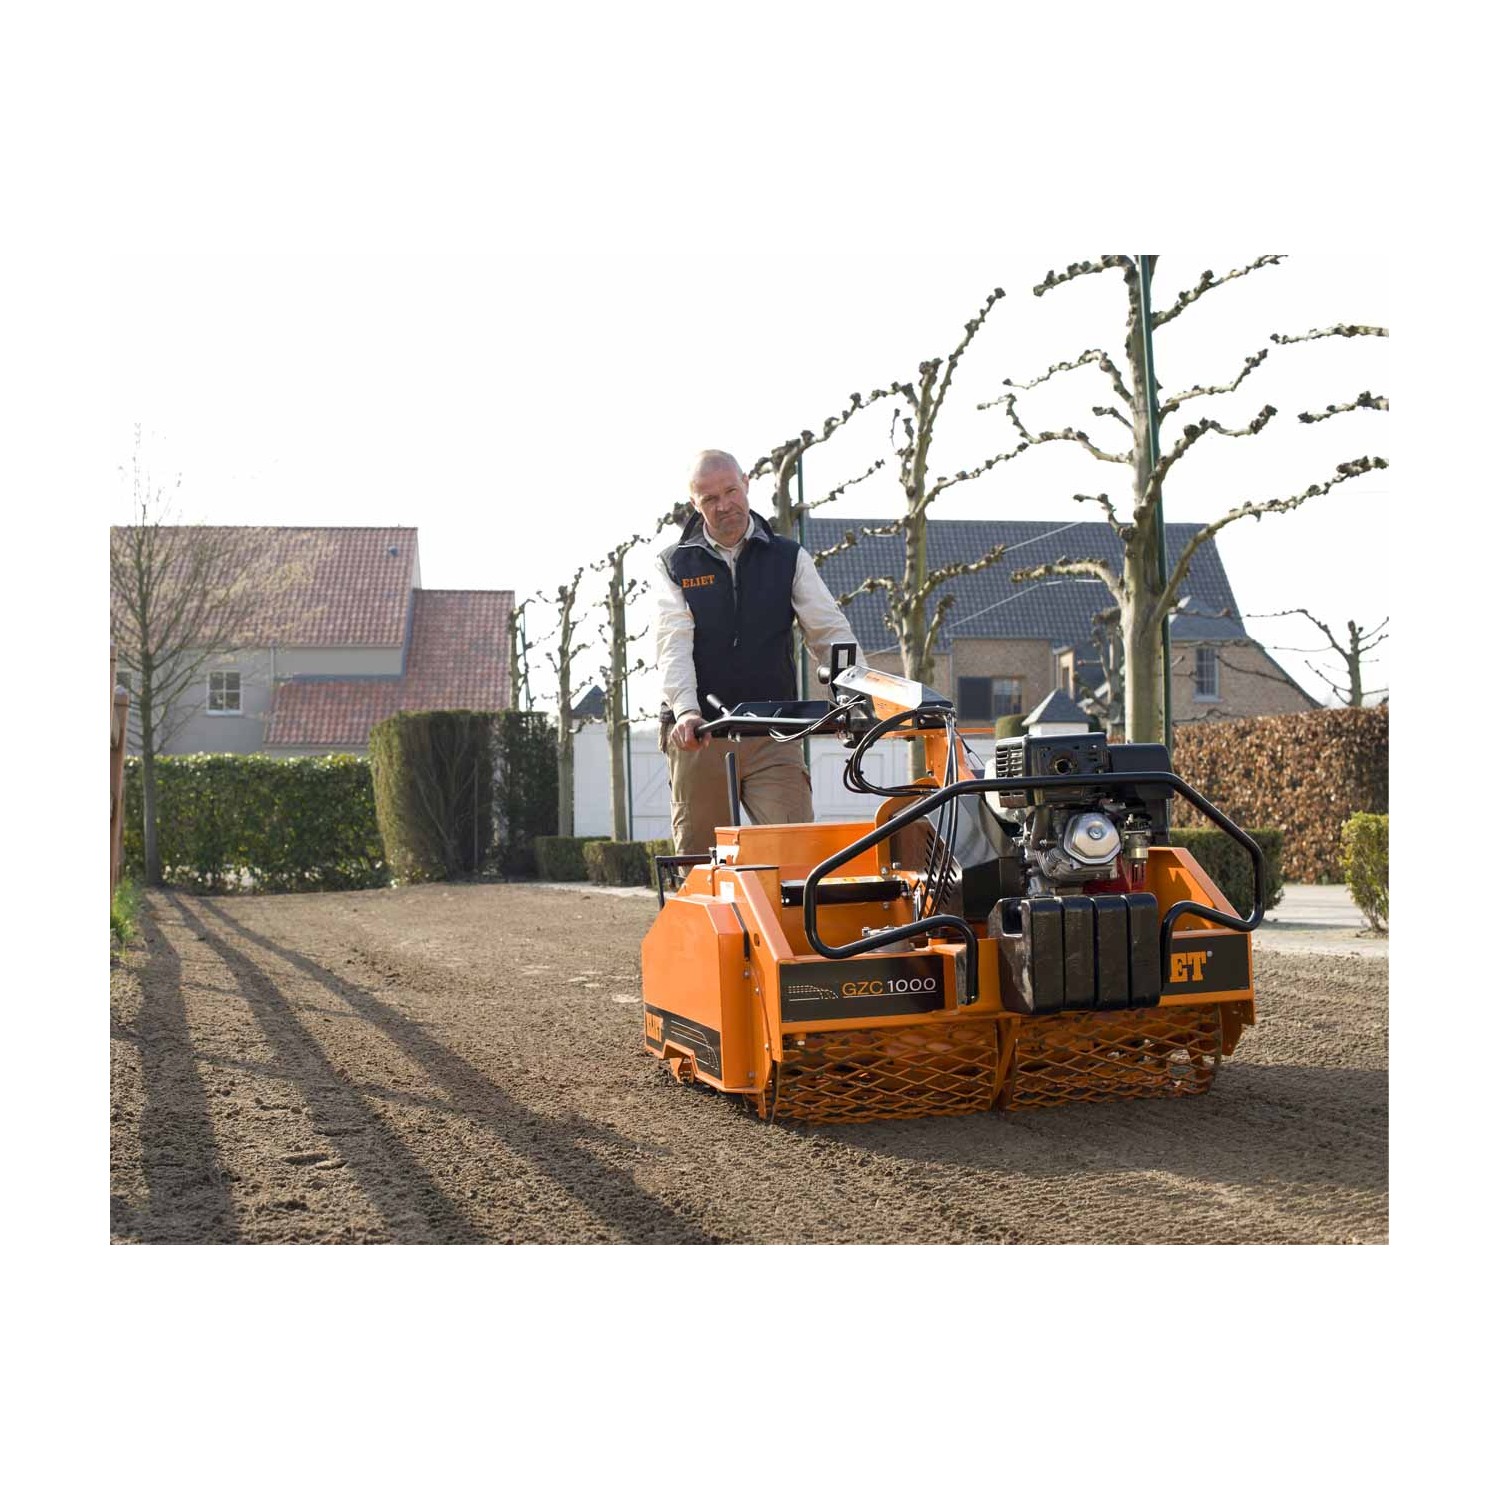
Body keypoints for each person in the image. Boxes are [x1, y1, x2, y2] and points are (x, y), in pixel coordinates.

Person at [654, 449, 864, 854]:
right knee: (701, 858)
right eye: (710, 498)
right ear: (694, 504)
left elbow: (829, 631)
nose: (724, 505)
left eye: (730, 491)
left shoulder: (788, 557)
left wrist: (857, 696)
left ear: (746, 484)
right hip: (702, 734)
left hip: (773, 729)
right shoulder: (674, 564)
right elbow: (673, 641)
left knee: (795, 852)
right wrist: (686, 711)